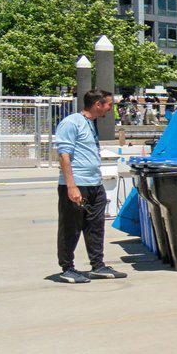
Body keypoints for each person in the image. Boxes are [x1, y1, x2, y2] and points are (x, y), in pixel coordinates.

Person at [53, 89, 123, 283]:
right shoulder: (71, 122)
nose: (111, 109)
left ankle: (98, 265)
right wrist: (71, 186)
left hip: (94, 183)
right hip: (78, 185)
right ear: (98, 104)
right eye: (109, 104)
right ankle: (67, 267)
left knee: (95, 225)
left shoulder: (90, 124)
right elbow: (64, 155)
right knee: (71, 227)